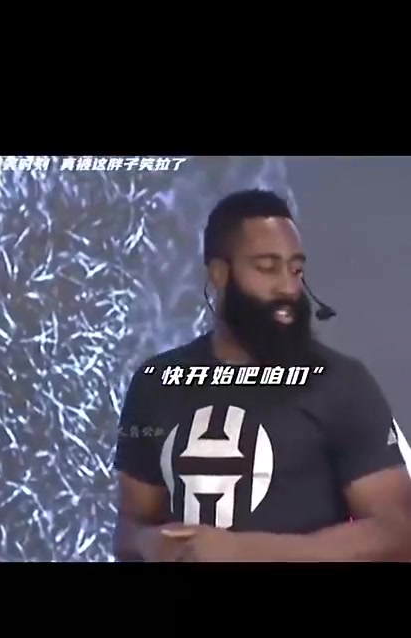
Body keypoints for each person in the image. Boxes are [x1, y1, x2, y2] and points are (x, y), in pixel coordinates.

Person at [112, 189, 411, 562]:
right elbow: (130, 525)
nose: (288, 287)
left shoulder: (341, 384)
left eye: (296, 269)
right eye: (267, 268)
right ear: (220, 273)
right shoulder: (156, 382)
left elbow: (397, 533)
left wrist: (243, 550)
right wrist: (148, 543)